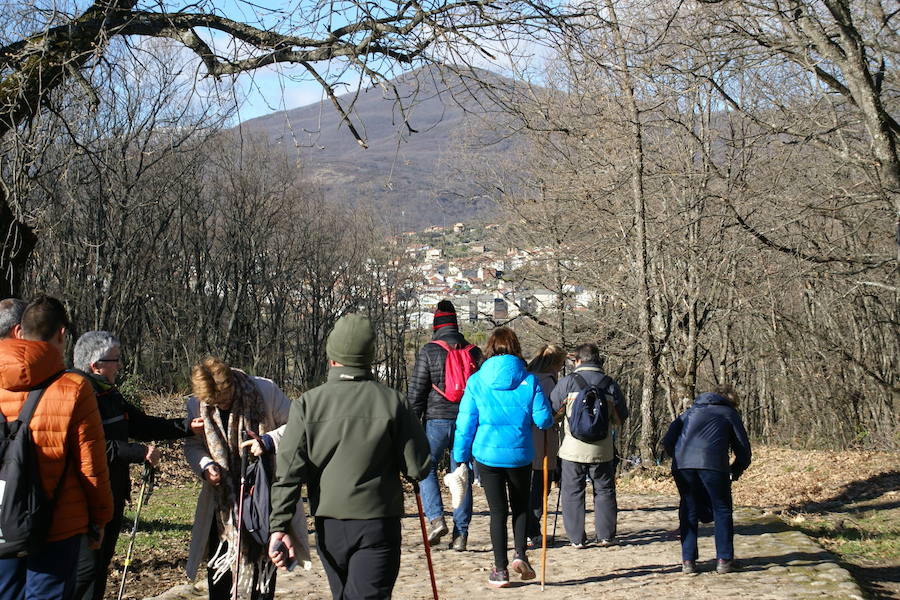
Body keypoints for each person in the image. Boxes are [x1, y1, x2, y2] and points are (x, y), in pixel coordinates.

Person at [268, 314, 431, 599]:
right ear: (369, 357)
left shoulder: (308, 404)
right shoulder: (393, 402)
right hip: (378, 523)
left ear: (331, 357)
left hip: (329, 527)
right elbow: (418, 468)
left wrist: (279, 526)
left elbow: (288, 473)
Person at [72, 331, 202, 600]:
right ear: (95, 365)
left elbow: (140, 424)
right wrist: (138, 452)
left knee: (98, 568)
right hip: (85, 498)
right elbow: (93, 447)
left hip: (111, 492)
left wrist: (187, 427)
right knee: (84, 572)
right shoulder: (78, 395)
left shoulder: (109, 393)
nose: (120, 365)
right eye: (115, 360)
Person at [0, 295, 113, 599]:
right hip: (60, 523)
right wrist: (100, 517)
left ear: (20, 332)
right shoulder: (75, 388)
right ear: (62, 334)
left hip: (2, 519)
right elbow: (92, 465)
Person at [185, 357, 311, 600]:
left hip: (263, 500)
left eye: (224, 399)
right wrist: (206, 465)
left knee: (261, 583)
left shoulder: (264, 390)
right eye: (213, 403)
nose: (220, 406)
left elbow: (299, 425)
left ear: (231, 384)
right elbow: (192, 446)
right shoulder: (195, 404)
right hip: (222, 509)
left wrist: (268, 440)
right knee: (220, 585)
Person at [452, 327, 553, 588]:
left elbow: (466, 424)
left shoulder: (476, 381)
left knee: (498, 512)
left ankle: (500, 570)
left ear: (489, 349)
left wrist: (460, 456)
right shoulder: (530, 381)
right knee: (520, 507)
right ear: (516, 348)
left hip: (487, 454)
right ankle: (520, 554)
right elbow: (543, 420)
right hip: (520, 453)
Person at [407, 299, 482, 550]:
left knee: (426, 468)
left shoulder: (429, 350)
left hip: (436, 420)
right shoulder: (473, 351)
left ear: (436, 325)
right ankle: (461, 534)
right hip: (466, 421)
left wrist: (410, 423)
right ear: (456, 323)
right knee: (462, 474)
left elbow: (417, 391)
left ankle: (436, 518)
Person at [662, 385, 752, 575]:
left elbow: (668, 440)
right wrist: (734, 471)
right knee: (722, 508)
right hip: (713, 465)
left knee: (689, 508)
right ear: (731, 400)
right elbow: (743, 450)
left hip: (683, 465)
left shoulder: (690, 412)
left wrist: (679, 457)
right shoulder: (729, 413)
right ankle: (724, 559)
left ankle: (688, 561)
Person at [550, 343, 628, 549]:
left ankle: (576, 538)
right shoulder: (609, 384)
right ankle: (606, 536)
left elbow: (552, 412)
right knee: (604, 490)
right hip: (603, 450)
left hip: (572, 449)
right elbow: (620, 418)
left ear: (578, 361)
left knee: (572, 491)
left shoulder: (568, 383)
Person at [525, 344, 567, 548]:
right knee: (541, 487)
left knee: (527, 488)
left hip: (524, 440)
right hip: (542, 440)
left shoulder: (525, 377)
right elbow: (549, 413)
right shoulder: (548, 381)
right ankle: (533, 531)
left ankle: (526, 528)